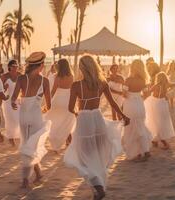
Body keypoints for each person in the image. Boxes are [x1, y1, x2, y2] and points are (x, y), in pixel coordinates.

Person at [64, 55, 130, 200]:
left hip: (84, 120)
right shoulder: (102, 83)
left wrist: (77, 113)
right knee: (98, 152)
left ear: (82, 68)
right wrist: (123, 116)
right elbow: (113, 103)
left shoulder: (76, 85)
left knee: (84, 156)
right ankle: (98, 186)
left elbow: (70, 108)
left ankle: (98, 187)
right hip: (98, 119)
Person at [11, 52, 51, 188]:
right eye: (43, 64)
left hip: (23, 117)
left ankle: (36, 174)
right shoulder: (45, 81)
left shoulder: (21, 79)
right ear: (40, 65)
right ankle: (25, 179)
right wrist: (42, 108)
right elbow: (49, 105)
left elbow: (13, 99)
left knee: (28, 145)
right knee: (31, 146)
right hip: (36, 117)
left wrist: (14, 103)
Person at [122, 60, 152, 162]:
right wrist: (139, 97)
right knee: (140, 126)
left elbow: (124, 94)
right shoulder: (143, 80)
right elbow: (147, 94)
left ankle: (138, 153)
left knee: (131, 128)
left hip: (130, 105)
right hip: (140, 104)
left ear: (132, 67)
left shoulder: (128, 80)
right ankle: (145, 150)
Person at [145, 72, 175, 149]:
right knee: (161, 123)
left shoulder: (156, 85)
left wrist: (148, 87)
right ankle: (156, 141)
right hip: (163, 104)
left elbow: (148, 92)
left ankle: (159, 141)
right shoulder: (167, 84)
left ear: (158, 78)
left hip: (155, 104)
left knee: (156, 122)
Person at [46, 59, 75, 152]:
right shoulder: (71, 76)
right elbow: (73, 90)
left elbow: (53, 91)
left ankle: (56, 142)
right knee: (68, 122)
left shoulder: (57, 77)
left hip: (58, 101)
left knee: (56, 122)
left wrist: (48, 102)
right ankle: (69, 141)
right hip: (68, 101)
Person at [1, 60, 21, 146]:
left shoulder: (20, 75)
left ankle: (15, 135)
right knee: (10, 120)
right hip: (7, 101)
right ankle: (11, 138)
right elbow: (0, 90)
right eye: (13, 66)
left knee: (18, 119)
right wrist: (5, 88)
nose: (15, 67)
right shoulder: (4, 76)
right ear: (9, 67)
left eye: (16, 65)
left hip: (17, 100)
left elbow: (24, 87)